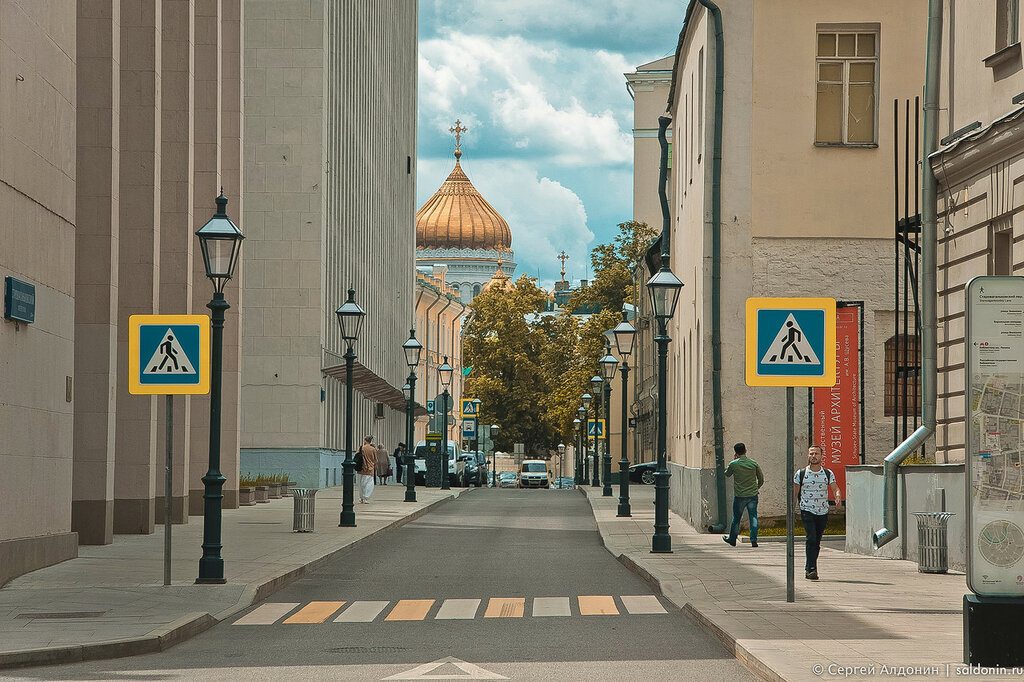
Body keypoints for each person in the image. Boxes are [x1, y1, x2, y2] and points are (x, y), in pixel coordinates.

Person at [793, 445, 843, 580]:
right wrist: (792, 510)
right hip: (807, 509)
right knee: (811, 538)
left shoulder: (827, 473)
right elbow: (795, 492)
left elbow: (835, 488)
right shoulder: (801, 473)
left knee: (817, 541)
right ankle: (811, 569)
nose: (813, 456)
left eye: (816, 453)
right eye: (811, 454)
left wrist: (838, 497)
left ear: (822, 456)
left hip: (822, 511)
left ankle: (809, 566)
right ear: (808, 456)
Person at [723, 442, 765, 548]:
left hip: (740, 495)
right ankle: (754, 539)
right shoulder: (753, 463)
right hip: (752, 495)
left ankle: (732, 539)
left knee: (736, 518)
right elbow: (761, 478)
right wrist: (756, 488)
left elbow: (727, 474)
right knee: (753, 517)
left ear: (736, 452)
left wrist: (733, 460)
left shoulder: (734, 464)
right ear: (745, 451)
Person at [357, 436, 378, 503]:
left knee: (360, 484)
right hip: (370, 469)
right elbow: (375, 460)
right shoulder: (373, 449)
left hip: (361, 468)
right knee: (369, 484)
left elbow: (356, 456)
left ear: (365, 440)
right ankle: (366, 497)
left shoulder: (361, 448)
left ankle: (361, 498)